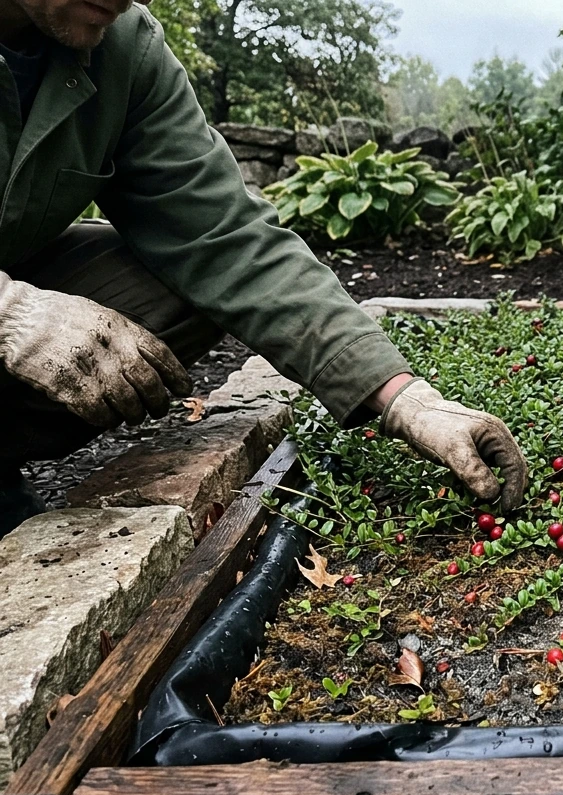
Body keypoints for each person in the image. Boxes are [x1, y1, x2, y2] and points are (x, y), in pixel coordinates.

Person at [0, 0, 527, 536]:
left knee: (181, 285)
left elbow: (225, 236)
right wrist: (12, 314)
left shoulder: (122, 47)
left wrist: (404, 398)